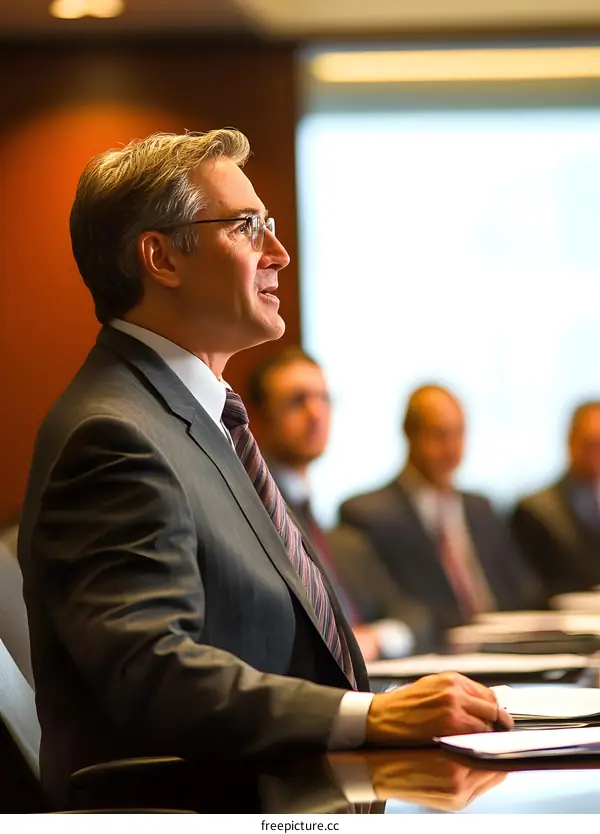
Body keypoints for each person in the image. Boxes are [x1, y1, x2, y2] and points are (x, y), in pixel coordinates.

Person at [17, 130, 512, 806]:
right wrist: (372, 716)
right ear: (161, 257)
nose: (278, 254)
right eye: (248, 228)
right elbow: (151, 671)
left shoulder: (188, 418)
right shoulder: (114, 433)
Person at [249, 346, 436, 659]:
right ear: (257, 415)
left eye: (324, 399)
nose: (316, 413)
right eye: (298, 401)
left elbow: (417, 617)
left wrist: (376, 640)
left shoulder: (341, 540)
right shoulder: (253, 517)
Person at [339, 385, 543, 636]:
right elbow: (395, 605)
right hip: (439, 650)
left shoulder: (480, 508)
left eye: (458, 433)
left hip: (507, 643)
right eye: (439, 434)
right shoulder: (370, 515)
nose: (451, 448)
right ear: (409, 435)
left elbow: (524, 590)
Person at [511, 401, 600, 599]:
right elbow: (531, 588)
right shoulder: (535, 511)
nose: (597, 453)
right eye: (591, 443)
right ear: (571, 441)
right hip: (566, 620)